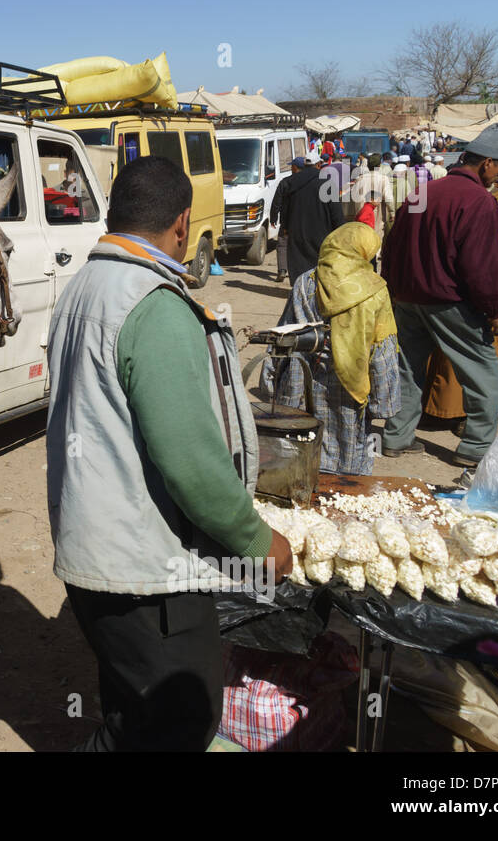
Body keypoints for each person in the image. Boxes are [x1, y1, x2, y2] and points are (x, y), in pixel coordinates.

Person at [45, 155, 289, 751]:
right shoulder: (151, 302)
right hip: (144, 568)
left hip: (95, 550)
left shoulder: (82, 287)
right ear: (183, 224)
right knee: (183, 719)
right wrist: (255, 539)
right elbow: (189, 457)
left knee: (134, 716)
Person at [380, 122, 498, 468]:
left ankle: (396, 438)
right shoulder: (479, 201)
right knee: (482, 372)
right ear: (486, 163)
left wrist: (393, 289)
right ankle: (475, 449)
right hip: (450, 301)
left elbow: (390, 247)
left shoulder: (422, 193)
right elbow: (480, 266)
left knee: (407, 369)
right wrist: (496, 309)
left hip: (407, 298)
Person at [260, 223, 400, 474]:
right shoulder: (376, 291)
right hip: (350, 390)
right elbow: (382, 350)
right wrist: (383, 402)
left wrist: (271, 378)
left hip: (301, 382)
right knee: (350, 454)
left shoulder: (305, 282)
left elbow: (284, 331)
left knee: (298, 451)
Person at [424, 173, 498, 422]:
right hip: (455, 290)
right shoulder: (461, 199)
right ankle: (451, 414)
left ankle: (467, 415)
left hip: (483, 292)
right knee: (455, 355)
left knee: (475, 357)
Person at [270, 151, 344, 282]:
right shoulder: (327, 183)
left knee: (299, 262)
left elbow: (285, 206)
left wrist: (285, 226)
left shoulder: (290, 182)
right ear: (319, 164)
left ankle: (299, 291)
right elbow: (336, 211)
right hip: (321, 232)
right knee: (319, 263)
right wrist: (340, 230)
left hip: (297, 230)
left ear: (305, 164)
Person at [351, 153, 394, 237]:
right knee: (376, 240)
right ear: (379, 165)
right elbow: (388, 198)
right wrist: (392, 213)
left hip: (362, 216)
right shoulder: (383, 179)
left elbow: (353, 197)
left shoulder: (360, 179)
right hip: (378, 216)